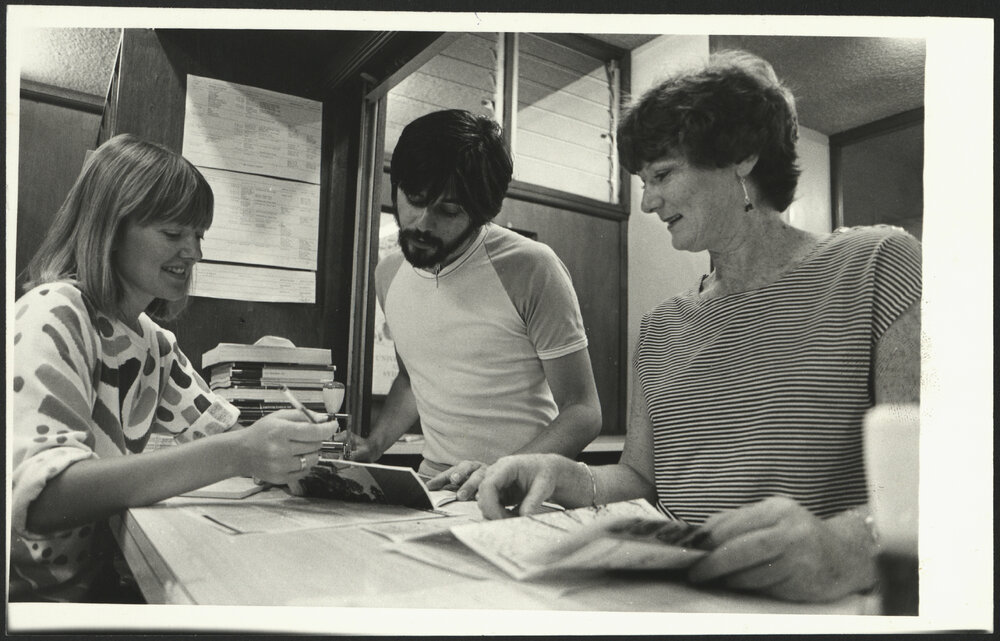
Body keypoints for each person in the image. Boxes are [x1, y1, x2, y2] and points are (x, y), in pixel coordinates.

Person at [477, 51, 921, 603]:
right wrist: (564, 473)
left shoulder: (878, 264)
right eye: (643, 180)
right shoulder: (662, 327)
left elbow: (941, 468)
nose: (646, 201)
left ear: (741, 157)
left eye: (662, 174)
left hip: (818, 608)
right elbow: (640, 481)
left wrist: (848, 547)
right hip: (680, 599)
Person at [10, 134, 338, 602]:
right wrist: (239, 452)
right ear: (110, 226)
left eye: (197, 235)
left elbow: (225, 429)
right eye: (172, 233)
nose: (194, 253)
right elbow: (41, 500)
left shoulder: (155, 344)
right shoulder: (53, 312)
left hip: (91, 587)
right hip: (28, 603)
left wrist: (280, 443)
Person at [339, 109, 602, 499]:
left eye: (448, 211)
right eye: (414, 199)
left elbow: (582, 410)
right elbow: (413, 378)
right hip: (435, 486)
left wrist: (506, 473)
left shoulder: (531, 268)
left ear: (481, 214)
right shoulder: (389, 273)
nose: (422, 223)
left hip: (523, 488)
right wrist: (375, 444)